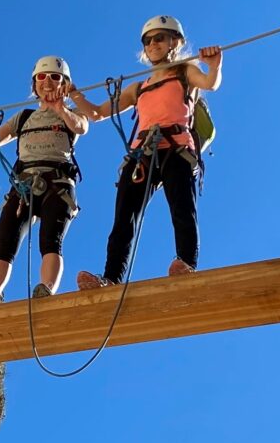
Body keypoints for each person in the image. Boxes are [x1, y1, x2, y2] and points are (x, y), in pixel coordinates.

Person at [71, 14, 222, 289]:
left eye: (160, 38)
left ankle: (186, 263)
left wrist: (214, 66)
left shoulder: (184, 72)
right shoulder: (138, 88)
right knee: (124, 218)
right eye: (148, 41)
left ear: (175, 42)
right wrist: (74, 95)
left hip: (176, 147)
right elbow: (98, 113)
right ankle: (111, 278)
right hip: (142, 153)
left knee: (182, 207)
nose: (153, 44)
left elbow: (210, 83)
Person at [0, 55, 90, 302]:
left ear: (65, 84)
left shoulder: (72, 115)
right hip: (24, 185)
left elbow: (81, 127)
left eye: (54, 77)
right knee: (4, 244)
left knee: (51, 240)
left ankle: (46, 290)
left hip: (57, 183)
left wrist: (60, 107)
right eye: (41, 77)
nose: (47, 82)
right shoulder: (24, 117)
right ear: (34, 84)